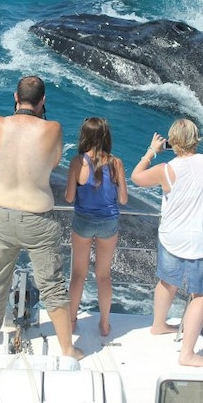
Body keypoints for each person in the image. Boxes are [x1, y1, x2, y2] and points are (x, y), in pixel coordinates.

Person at [0, 75, 82, 359]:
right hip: (38, 219)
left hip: (2, 216)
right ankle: (68, 350)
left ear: (15, 97)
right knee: (52, 286)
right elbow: (54, 161)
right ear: (43, 101)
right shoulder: (53, 128)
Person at [130, 118, 203, 367]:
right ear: (196, 138)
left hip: (172, 237)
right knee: (200, 294)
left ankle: (159, 325)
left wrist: (152, 151)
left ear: (172, 142)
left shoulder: (166, 170)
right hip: (202, 241)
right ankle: (187, 354)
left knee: (167, 281)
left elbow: (136, 177)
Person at [65, 116, 128, 337]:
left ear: (84, 136)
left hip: (83, 221)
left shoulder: (76, 162)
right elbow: (123, 200)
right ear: (106, 137)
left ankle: (71, 322)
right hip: (109, 222)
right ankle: (104, 324)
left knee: (78, 275)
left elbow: (70, 196)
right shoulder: (116, 163)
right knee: (103, 275)